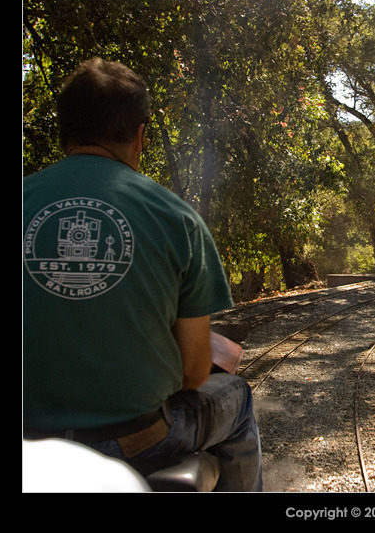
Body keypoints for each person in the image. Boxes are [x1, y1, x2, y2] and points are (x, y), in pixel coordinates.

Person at [23, 58, 261, 492]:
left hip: (29, 446)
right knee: (238, 398)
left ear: (65, 133)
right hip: (134, 441)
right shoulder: (176, 218)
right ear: (139, 134)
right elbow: (192, 375)